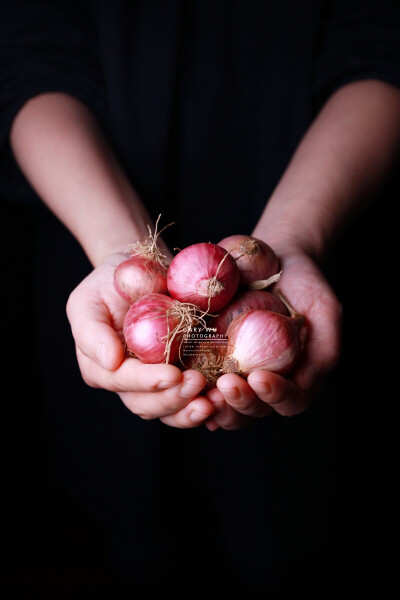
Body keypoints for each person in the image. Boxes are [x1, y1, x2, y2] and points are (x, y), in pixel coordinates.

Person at [1, 0, 400, 593]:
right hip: (89, 213)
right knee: (134, 530)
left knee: (284, 531)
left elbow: (383, 46)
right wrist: (121, 248)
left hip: (328, 205)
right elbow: (28, 59)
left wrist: (295, 238)